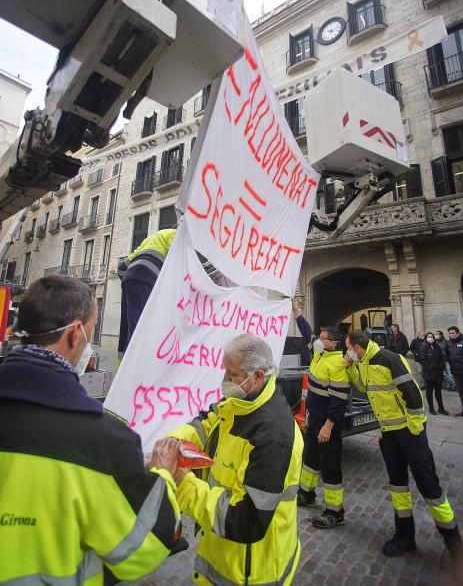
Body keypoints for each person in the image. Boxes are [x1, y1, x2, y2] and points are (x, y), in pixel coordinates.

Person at [0, 276, 183, 585]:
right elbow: (143, 546)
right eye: (92, 330)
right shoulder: (103, 443)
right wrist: (164, 475)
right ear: (74, 334)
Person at [155, 334, 303, 586]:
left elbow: (245, 521)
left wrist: (183, 482)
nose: (225, 381)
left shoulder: (272, 437)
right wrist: (173, 442)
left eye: (232, 374)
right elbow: (208, 421)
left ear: (258, 376)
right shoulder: (242, 400)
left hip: (251, 572)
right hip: (221, 555)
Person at [345, 330, 463, 564]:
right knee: (397, 484)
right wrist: (349, 366)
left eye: (348, 348)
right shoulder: (364, 363)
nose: (347, 352)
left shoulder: (389, 359)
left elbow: (413, 396)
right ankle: (405, 535)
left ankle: (455, 546)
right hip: (389, 435)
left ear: (357, 348)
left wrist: (415, 430)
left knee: (429, 487)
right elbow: (361, 386)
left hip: (410, 433)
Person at [295, 316, 350, 529]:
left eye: (324, 338)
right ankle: (306, 494)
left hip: (328, 423)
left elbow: (338, 401)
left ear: (333, 344)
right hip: (314, 417)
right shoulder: (319, 352)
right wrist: (298, 313)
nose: (319, 340)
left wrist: (328, 426)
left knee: (330, 465)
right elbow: (307, 332)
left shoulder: (338, 364)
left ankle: (335, 512)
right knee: (310, 458)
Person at [118, 228, 176, 356]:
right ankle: (138, 362)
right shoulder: (175, 234)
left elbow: (121, 268)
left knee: (132, 326)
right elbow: (177, 260)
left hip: (129, 280)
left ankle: (127, 362)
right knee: (143, 328)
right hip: (147, 279)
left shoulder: (150, 239)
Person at [419, 332, 449, 415]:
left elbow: (441, 357)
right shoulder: (423, 347)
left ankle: (441, 408)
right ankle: (431, 408)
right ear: (426, 338)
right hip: (429, 373)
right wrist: (428, 367)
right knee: (429, 391)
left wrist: (442, 366)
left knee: (438, 392)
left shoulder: (436, 346)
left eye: (431, 336)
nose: (430, 338)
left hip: (438, 373)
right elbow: (422, 359)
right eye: (428, 337)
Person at [446, 325, 463, 417]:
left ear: (457, 333)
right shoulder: (448, 343)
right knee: (461, 392)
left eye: (453, 333)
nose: (451, 335)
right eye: (450, 333)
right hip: (456, 372)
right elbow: (448, 356)